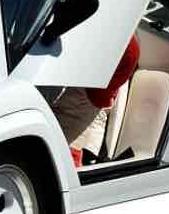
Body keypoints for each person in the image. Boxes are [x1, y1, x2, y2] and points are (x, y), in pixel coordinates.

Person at [49, 35, 140, 167]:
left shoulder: (125, 47)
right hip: (94, 96)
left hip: (90, 95)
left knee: (54, 145)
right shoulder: (127, 47)